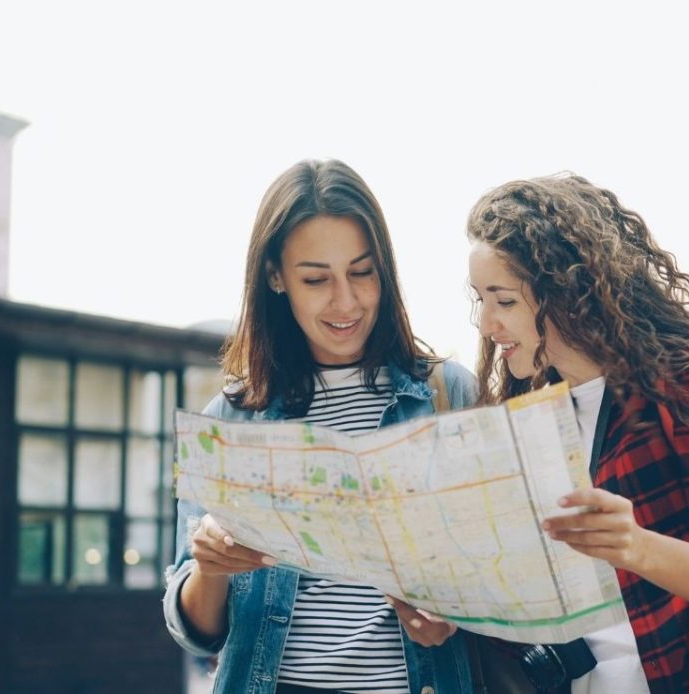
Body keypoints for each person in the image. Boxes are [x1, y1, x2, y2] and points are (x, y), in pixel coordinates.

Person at [465, 173, 689, 693]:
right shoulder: (531, 420)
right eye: (481, 300)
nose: (487, 325)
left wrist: (635, 546)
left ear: (566, 291)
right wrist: (451, 611)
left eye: (505, 301)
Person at [163, 159, 477, 694]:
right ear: (275, 277)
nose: (346, 301)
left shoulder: (447, 396)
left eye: (362, 271)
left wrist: (457, 614)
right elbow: (198, 634)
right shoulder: (232, 418)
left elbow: (496, 574)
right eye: (316, 279)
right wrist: (211, 568)